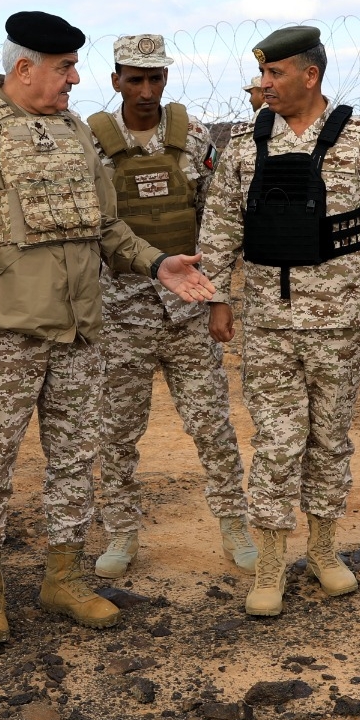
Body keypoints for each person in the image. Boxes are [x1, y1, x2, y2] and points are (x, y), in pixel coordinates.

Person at [0, 10, 216, 645]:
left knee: (74, 460)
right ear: (25, 68)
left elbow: (106, 226)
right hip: (1, 332)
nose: (75, 79)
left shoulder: (73, 130)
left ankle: (63, 578)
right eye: (65, 68)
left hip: (78, 331)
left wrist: (158, 263)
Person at [199, 25, 360, 617]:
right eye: (263, 74)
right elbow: (220, 226)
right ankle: (271, 564)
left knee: (328, 439)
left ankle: (323, 549)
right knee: (277, 441)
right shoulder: (246, 143)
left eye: (275, 73)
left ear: (310, 74)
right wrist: (217, 296)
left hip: (341, 323)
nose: (265, 84)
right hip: (269, 324)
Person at [84, 33, 254, 578]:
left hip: (188, 313)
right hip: (120, 314)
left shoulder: (194, 137)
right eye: (134, 79)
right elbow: (88, 231)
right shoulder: (91, 144)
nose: (146, 90)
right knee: (116, 432)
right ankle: (121, 532)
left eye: (155, 78)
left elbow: (219, 223)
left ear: (165, 78)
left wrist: (218, 298)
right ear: (116, 80)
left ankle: (234, 524)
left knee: (212, 426)